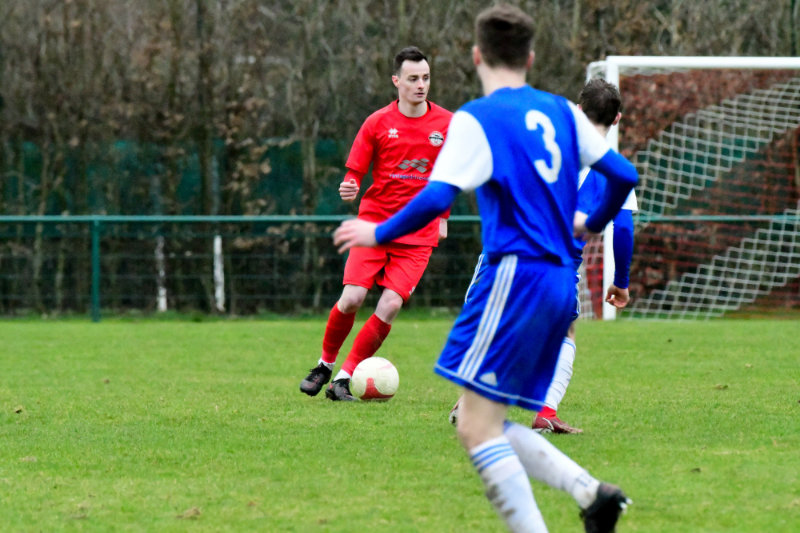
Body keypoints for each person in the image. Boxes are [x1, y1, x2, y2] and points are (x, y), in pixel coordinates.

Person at [333, 4, 637, 531]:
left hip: (513, 276)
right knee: (480, 420)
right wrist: (592, 223)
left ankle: (580, 499)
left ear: (477, 56)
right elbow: (624, 175)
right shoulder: (562, 112)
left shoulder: (478, 118)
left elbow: (437, 197)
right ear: (531, 58)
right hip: (559, 282)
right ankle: (592, 494)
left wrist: (377, 232)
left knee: (474, 425)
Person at [299, 46, 452, 401]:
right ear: (396, 81)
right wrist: (349, 186)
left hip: (418, 231)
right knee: (352, 298)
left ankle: (344, 379)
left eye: (426, 78)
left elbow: (450, 175)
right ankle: (324, 365)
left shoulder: (448, 124)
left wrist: (443, 217)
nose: (421, 85)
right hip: (374, 225)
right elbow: (354, 173)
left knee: (391, 304)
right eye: (413, 78)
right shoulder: (377, 122)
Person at [532, 78, 637, 434]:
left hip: (512, 250)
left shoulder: (547, 147)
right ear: (617, 118)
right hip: (558, 263)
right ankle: (545, 411)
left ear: (578, 110)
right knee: (565, 332)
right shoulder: (615, 169)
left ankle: (471, 398)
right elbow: (623, 230)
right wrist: (621, 283)